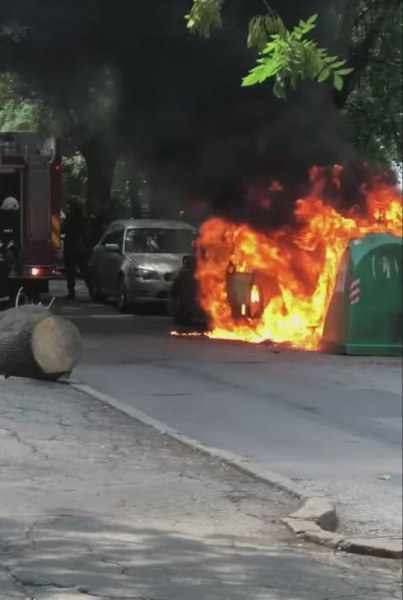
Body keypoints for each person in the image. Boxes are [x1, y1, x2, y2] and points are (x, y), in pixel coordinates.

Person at [63, 202, 92, 300]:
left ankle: (71, 292)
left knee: (70, 272)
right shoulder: (83, 219)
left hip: (70, 249)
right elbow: (87, 234)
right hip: (81, 249)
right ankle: (92, 291)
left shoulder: (70, 218)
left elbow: (63, 229)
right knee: (85, 271)